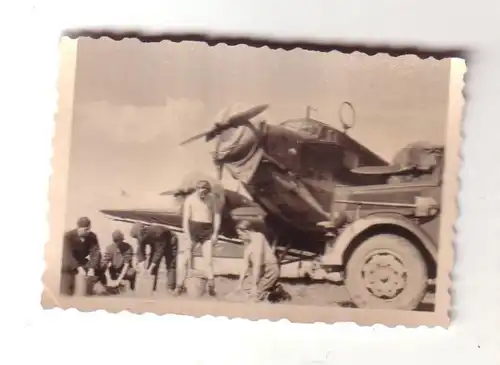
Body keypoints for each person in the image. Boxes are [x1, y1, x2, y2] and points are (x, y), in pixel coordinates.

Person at [174, 179, 221, 297]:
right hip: (193, 228)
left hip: (207, 229)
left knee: (208, 260)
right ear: (197, 189)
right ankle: (179, 286)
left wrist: (215, 233)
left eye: (205, 191)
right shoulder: (190, 200)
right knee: (185, 259)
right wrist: (187, 235)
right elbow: (185, 220)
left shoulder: (212, 199)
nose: (203, 194)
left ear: (208, 191)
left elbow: (216, 215)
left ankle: (211, 287)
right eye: (200, 191)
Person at [233, 220, 281, 302]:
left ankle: (276, 292)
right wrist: (239, 285)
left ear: (247, 231)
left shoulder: (258, 237)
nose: (239, 237)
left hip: (270, 269)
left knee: (254, 296)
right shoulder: (247, 242)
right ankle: (269, 291)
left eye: (240, 234)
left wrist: (254, 285)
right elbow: (244, 266)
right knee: (244, 292)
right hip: (261, 270)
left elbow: (257, 263)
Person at [60, 216, 106, 295]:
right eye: (86, 229)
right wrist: (77, 267)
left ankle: (97, 288)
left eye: (89, 228)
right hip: (69, 262)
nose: (88, 231)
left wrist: (92, 267)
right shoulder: (68, 236)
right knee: (68, 283)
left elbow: (96, 253)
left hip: (82, 261)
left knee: (101, 266)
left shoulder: (92, 236)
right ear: (78, 228)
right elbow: (67, 254)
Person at [130, 223, 177, 292]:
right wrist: (143, 269)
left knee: (170, 265)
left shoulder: (157, 232)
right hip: (157, 244)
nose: (137, 239)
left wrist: (149, 269)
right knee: (151, 267)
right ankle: (151, 289)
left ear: (142, 233)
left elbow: (159, 252)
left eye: (137, 237)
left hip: (170, 241)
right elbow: (140, 252)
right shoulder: (141, 236)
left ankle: (170, 289)